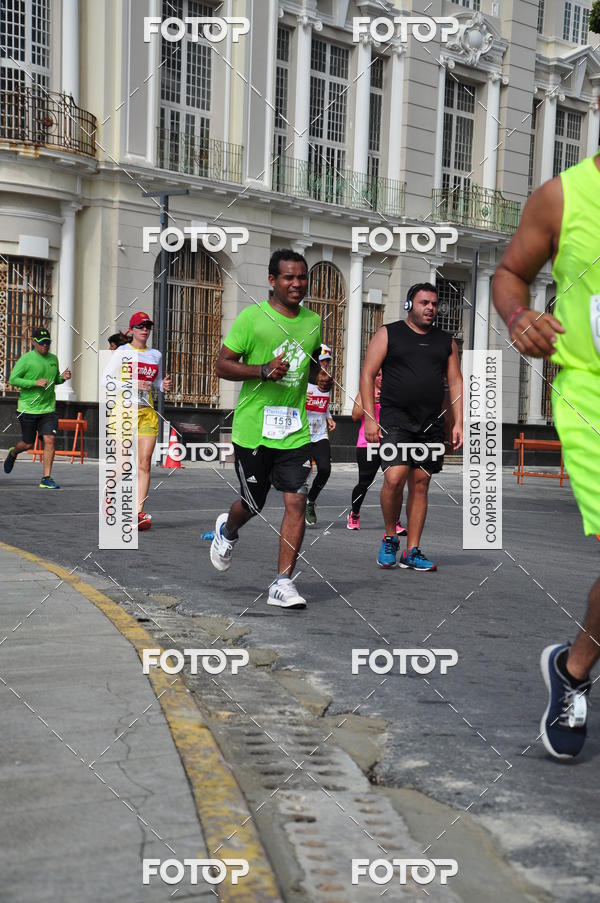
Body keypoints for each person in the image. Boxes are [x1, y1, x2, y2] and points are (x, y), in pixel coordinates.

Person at [492, 143, 600, 759]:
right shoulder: (562, 196)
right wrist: (517, 316)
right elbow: (511, 273)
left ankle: (575, 666)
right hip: (589, 392)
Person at [210, 249, 331, 609]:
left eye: (302, 277)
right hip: (254, 430)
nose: (297, 284)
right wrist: (261, 369)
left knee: (296, 499)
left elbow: (306, 365)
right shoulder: (252, 318)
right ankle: (227, 530)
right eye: (289, 278)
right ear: (272, 281)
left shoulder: (313, 320)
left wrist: (319, 378)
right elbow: (222, 365)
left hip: (294, 429)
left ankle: (283, 583)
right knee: (254, 503)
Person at [360, 283, 463, 570]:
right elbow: (367, 374)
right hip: (396, 420)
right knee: (394, 478)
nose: (430, 308)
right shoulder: (389, 333)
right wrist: (370, 417)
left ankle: (412, 549)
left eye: (434, 303)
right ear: (410, 305)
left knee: (421, 483)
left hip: (431, 423)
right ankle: (391, 536)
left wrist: (458, 423)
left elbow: (455, 382)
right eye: (424, 303)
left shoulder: (445, 341)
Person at [102, 312, 171, 531]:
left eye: (148, 326)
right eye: (140, 326)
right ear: (131, 330)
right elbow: (107, 380)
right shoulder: (122, 351)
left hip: (146, 413)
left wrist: (163, 386)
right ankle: (109, 495)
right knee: (124, 465)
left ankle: (138, 513)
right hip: (124, 412)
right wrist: (132, 385)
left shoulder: (155, 355)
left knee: (144, 463)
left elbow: (156, 382)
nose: (145, 329)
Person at [3, 327, 72, 489]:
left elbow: (54, 380)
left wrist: (62, 378)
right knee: (27, 444)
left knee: (50, 439)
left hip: (48, 409)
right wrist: (34, 383)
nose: (45, 346)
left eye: (47, 343)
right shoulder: (26, 359)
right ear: (34, 342)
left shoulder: (53, 359)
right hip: (28, 408)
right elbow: (13, 379)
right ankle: (13, 453)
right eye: (41, 343)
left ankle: (46, 478)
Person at [347, 369, 406, 535]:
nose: (381, 378)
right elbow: (355, 415)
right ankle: (354, 514)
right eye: (378, 375)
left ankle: (395, 521)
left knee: (395, 484)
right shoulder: (365, 392)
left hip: (391, 443)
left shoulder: (395, 391)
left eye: (384, 374)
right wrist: (371, 400)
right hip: (368, 443)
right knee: (364, 483)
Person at [305, 344, 336, 527]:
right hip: (302, 434)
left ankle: (310, 501)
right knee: (302, 473)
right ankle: (296, 505)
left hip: (319, 434)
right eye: (323, 361)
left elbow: (324, 404)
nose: (326, 364)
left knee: (325, 469)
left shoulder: (327, 382)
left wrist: (329, 417)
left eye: (328, 361)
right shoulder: (303, 382)